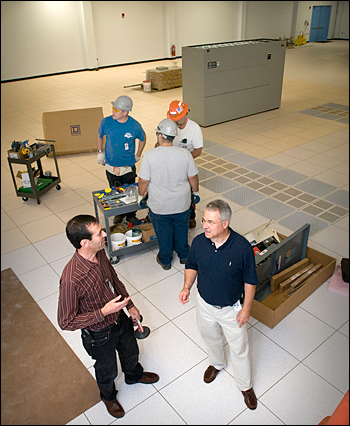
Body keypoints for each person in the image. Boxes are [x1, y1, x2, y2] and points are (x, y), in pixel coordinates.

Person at [58, 215, 159, 419]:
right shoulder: (71, 279)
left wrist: (129, 306)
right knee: (107, 369)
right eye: (99, 233)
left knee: (130, 350)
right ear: (84, 242)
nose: (105, 234)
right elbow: (65, 322)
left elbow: (114, 279)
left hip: (119, 318)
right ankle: (108, 396)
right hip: (98, 333)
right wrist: (103, 312)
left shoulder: (100, 251)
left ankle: (133, 375)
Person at [179, 200, 259, 410]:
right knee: (211, 338)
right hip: (204, 304)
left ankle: (245, 386)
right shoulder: (198, 242)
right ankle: (216, 364)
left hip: (231, 309)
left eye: (211, 222)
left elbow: (250, 281)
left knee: (240, 348)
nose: (205, 225)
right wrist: (187, 287)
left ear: (225, 223)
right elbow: (191, 266)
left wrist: (246, 308)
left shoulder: (242, 248)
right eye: (204, 220)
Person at [138, 118, 199, 270]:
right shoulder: (185, 154)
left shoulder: (150, 155)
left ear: (159, 135)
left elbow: (143, 181)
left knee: (163, 233)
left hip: (159, 206)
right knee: (181, 230)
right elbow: (193, 177)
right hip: (182, 204)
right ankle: (184, 256)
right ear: (173, 136)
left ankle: (165, 260)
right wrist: (196, 192)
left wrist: (141, 195)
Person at [167, 100, 203, 229]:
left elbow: (198, 150)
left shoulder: (194, 128)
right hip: (169, 165)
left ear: (185, 113)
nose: (176, 121)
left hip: (186, 165)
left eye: (178, 117)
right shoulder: (168, 125)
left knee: (188, 192)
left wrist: (184, 158)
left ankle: (191, 217)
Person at [97, 95, 146, 189]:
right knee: (114, 193)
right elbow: (99, 136)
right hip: (111, 167)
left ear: (125, 112)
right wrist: (99, 152)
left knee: (129, 194)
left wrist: (138, 155)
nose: (112, 111)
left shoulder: (134, 125)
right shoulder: (106, 122)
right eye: (113, 108)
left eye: (116, 110)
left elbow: (143, 138)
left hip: (127, 169)